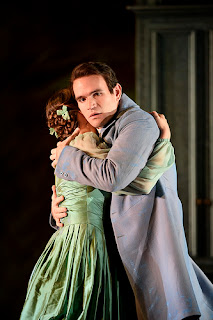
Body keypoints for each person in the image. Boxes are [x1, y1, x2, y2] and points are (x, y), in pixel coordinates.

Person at [50, 62, 213, 320]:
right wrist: (60, 204)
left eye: (97, 93)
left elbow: (114, 177)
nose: (90, 104)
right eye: (82, 98)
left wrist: (67, 158)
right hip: (111, 249)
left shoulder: (138, 123)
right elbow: (94, 184)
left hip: (146, 240)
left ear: (116, 92)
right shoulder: (97, 132)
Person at [20, 87, 175, 320]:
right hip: (88, 242)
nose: (93, 108)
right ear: (77, 111)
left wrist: (58, 213)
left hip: (68, 239)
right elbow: (132, 180)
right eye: (83, 101)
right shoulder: (89, 144)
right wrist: (163, 140)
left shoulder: (67, 147)